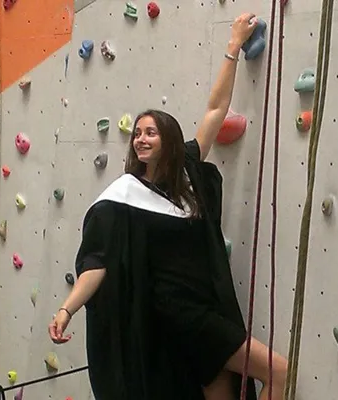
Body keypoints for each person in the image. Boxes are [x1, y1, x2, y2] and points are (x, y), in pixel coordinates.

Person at [48, 12, 288, 400]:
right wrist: (66, 310)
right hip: (181, 317)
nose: (141, 140)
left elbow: (215, 111)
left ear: (168, 139)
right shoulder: (123, 197)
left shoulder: (189, 173)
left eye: (150, 132)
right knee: (278, 370)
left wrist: (233, 47)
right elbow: (97, 263)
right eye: (137, 134)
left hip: (207, 308)